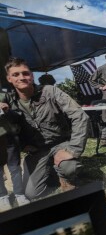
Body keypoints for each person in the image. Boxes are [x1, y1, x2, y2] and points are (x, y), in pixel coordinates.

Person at [4, 57, 89, 199]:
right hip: (38, 150)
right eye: (16, 74)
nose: (22, 77)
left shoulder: (50, 91)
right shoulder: (9, 102)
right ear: (9, 79)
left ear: (32, 75)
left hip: (60, 143)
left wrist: (73, 150)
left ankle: (66, 176)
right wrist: (23, 145)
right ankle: (50, 171)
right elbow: (9, 133)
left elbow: (80, 116)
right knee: (31, 193)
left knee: (69, 167)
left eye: (25, 73)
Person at [0, 92, 29, 211]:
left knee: (15, 167)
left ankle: (19, 194)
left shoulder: (4, 95)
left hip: (9, 137)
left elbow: (19, 115)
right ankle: (2, 196)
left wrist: (8, 110)